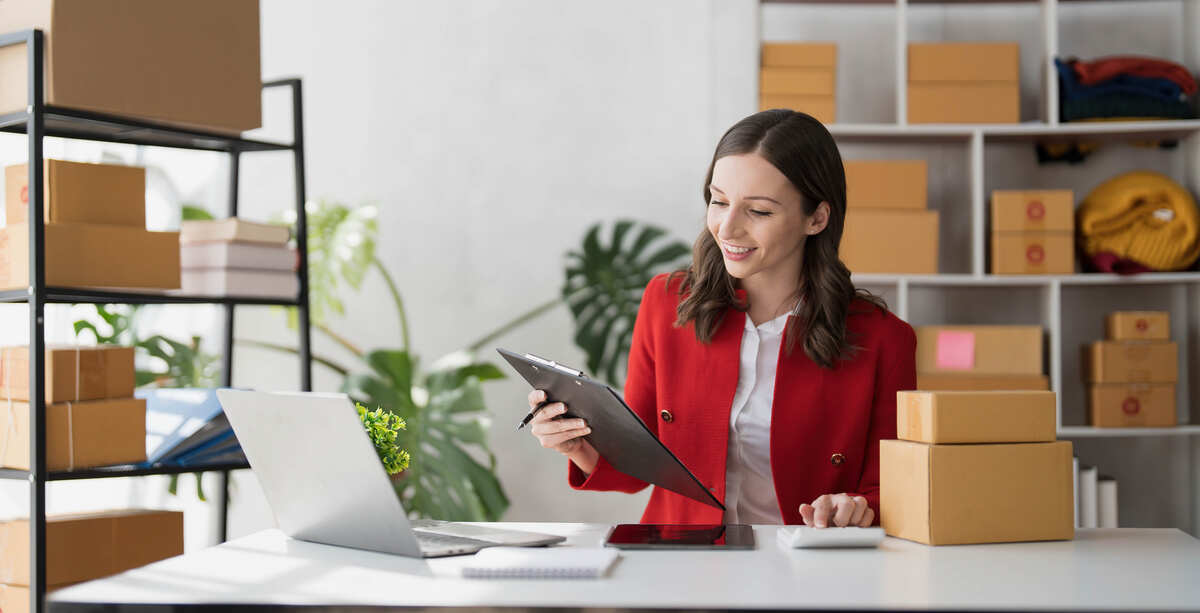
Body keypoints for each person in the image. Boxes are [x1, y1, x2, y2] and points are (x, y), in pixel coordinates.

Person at [526, 109, 916, 528]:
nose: (727, 228)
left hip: (808, 574)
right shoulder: (667, 303)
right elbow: (637, 463)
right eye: (719, 201)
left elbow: (891, 488)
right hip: (682, 567)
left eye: (759, 212)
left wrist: (855, 506)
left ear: (816, 218)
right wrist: (576, 444)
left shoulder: (882, 340)